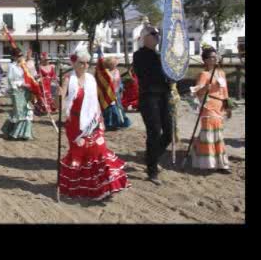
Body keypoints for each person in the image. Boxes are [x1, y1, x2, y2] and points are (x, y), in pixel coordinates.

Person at [58, 48, 131, 200]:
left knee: (99, 151)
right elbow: (58, 105)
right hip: (75, 125)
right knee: (80, 155)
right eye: (81, 63)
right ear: (73, 62)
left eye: (87, 63)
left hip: (93, 121)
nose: (84, 66)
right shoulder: (67, 79)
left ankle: (105, 186)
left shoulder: (91, 79)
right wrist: (57, 95)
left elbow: (95, 100)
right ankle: (83, 188)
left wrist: (100, 119)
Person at [133, 25, 174, 185]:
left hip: (164, 96)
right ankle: (152, 170)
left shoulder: (161, 55)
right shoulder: (139, 55)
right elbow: (145, 74)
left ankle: (152, 157)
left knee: (169, 133)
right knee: (154, 132)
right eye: (154, 34)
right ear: (145, 37)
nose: (157, 36)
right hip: (149, 97)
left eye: (158, 33)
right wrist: (163, 68)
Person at [189, 46, 232, 172]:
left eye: (215, 56)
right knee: (209, 134)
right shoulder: (204, 74)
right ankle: (211, 162)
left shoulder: (221, 74)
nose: (214, 59)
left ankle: (216, 160)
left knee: (218, 135)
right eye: (211, 57)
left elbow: (225, 92)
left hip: (219, 106)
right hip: (208, 105)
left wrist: (228, 107)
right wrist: (204, 88)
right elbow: (196, 91)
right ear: (206, 60)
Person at [1, 49, 34, 140]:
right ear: (14, 57)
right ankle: (14, 132)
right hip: (16, 92)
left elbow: (29, 77)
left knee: (27, 110)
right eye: (18, 56)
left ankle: (25, 133)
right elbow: (10, 80)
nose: (20, 57)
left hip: (26, 91)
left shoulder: (24, 66)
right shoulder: (12, 67)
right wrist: (21, 84)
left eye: (21, 55)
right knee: (18, 112)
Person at [101, 56, 131, 130]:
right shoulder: (106, 72)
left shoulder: (116, 71)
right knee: (109, 108)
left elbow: (118, 81)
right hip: (109, 92)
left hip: (116, 92)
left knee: (118, 108)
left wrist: (121, 89)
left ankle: (120, 122)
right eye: (114, 64)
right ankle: (109, 124)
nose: (115, 65)